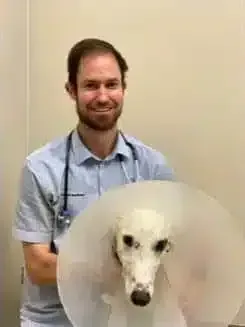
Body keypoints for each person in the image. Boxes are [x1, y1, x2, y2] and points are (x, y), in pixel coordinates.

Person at [13, 38, 176, 326]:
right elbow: (38, 267)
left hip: (127, 316)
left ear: (124, 88)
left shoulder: (152, 168)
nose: (103, 97)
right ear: (71, 91)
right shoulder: (41, 168)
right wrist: (117, 267)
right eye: (91, 86)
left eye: (112, 84)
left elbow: (172, 254)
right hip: (55, 319)